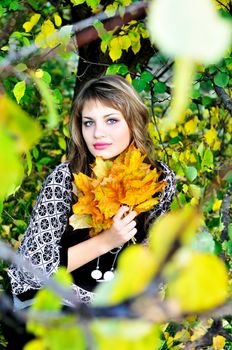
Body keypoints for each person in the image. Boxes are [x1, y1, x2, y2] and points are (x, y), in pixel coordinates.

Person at [8, 74, 175, 309]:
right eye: (89, 122)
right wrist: (108, 240)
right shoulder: (67, 178)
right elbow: (33, 270)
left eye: (111, 120)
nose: (97, 133)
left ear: (133, 121)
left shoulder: (158, 179)